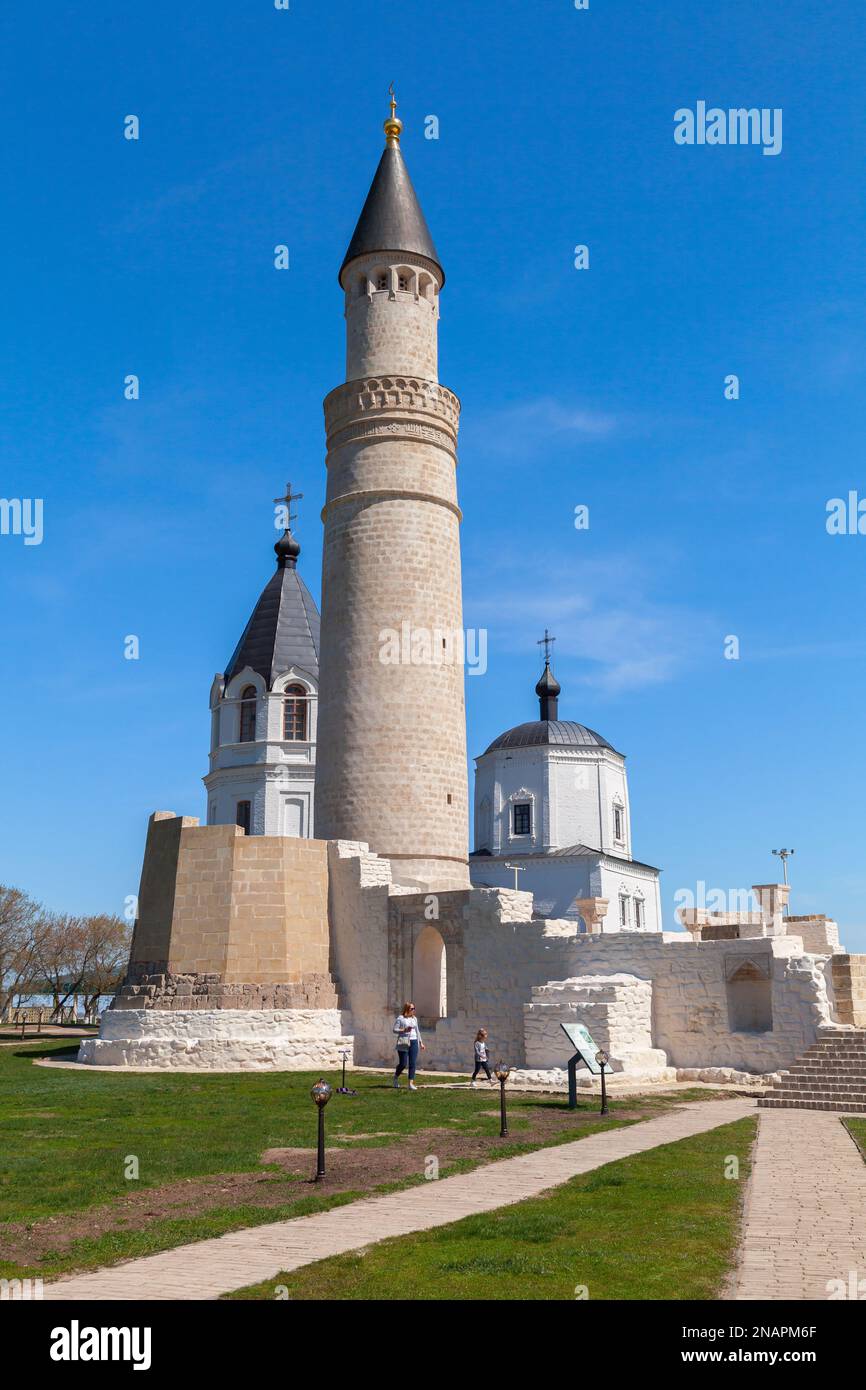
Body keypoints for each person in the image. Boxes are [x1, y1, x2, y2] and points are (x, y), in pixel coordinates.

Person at [392, 1002, 425, 1090]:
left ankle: (410, 1083)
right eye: (412, 1009)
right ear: (407, 1009)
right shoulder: (401, 1018)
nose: (413, 1010)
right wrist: (404, 1030)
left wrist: (421, 1042)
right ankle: (395, 1077)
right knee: (403, 1064)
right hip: (404, 1041)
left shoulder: (414, 1019)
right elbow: (394, 1030)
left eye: (414, 1008)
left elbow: (417, 1031)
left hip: (414, 1042)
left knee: (412, 1063)